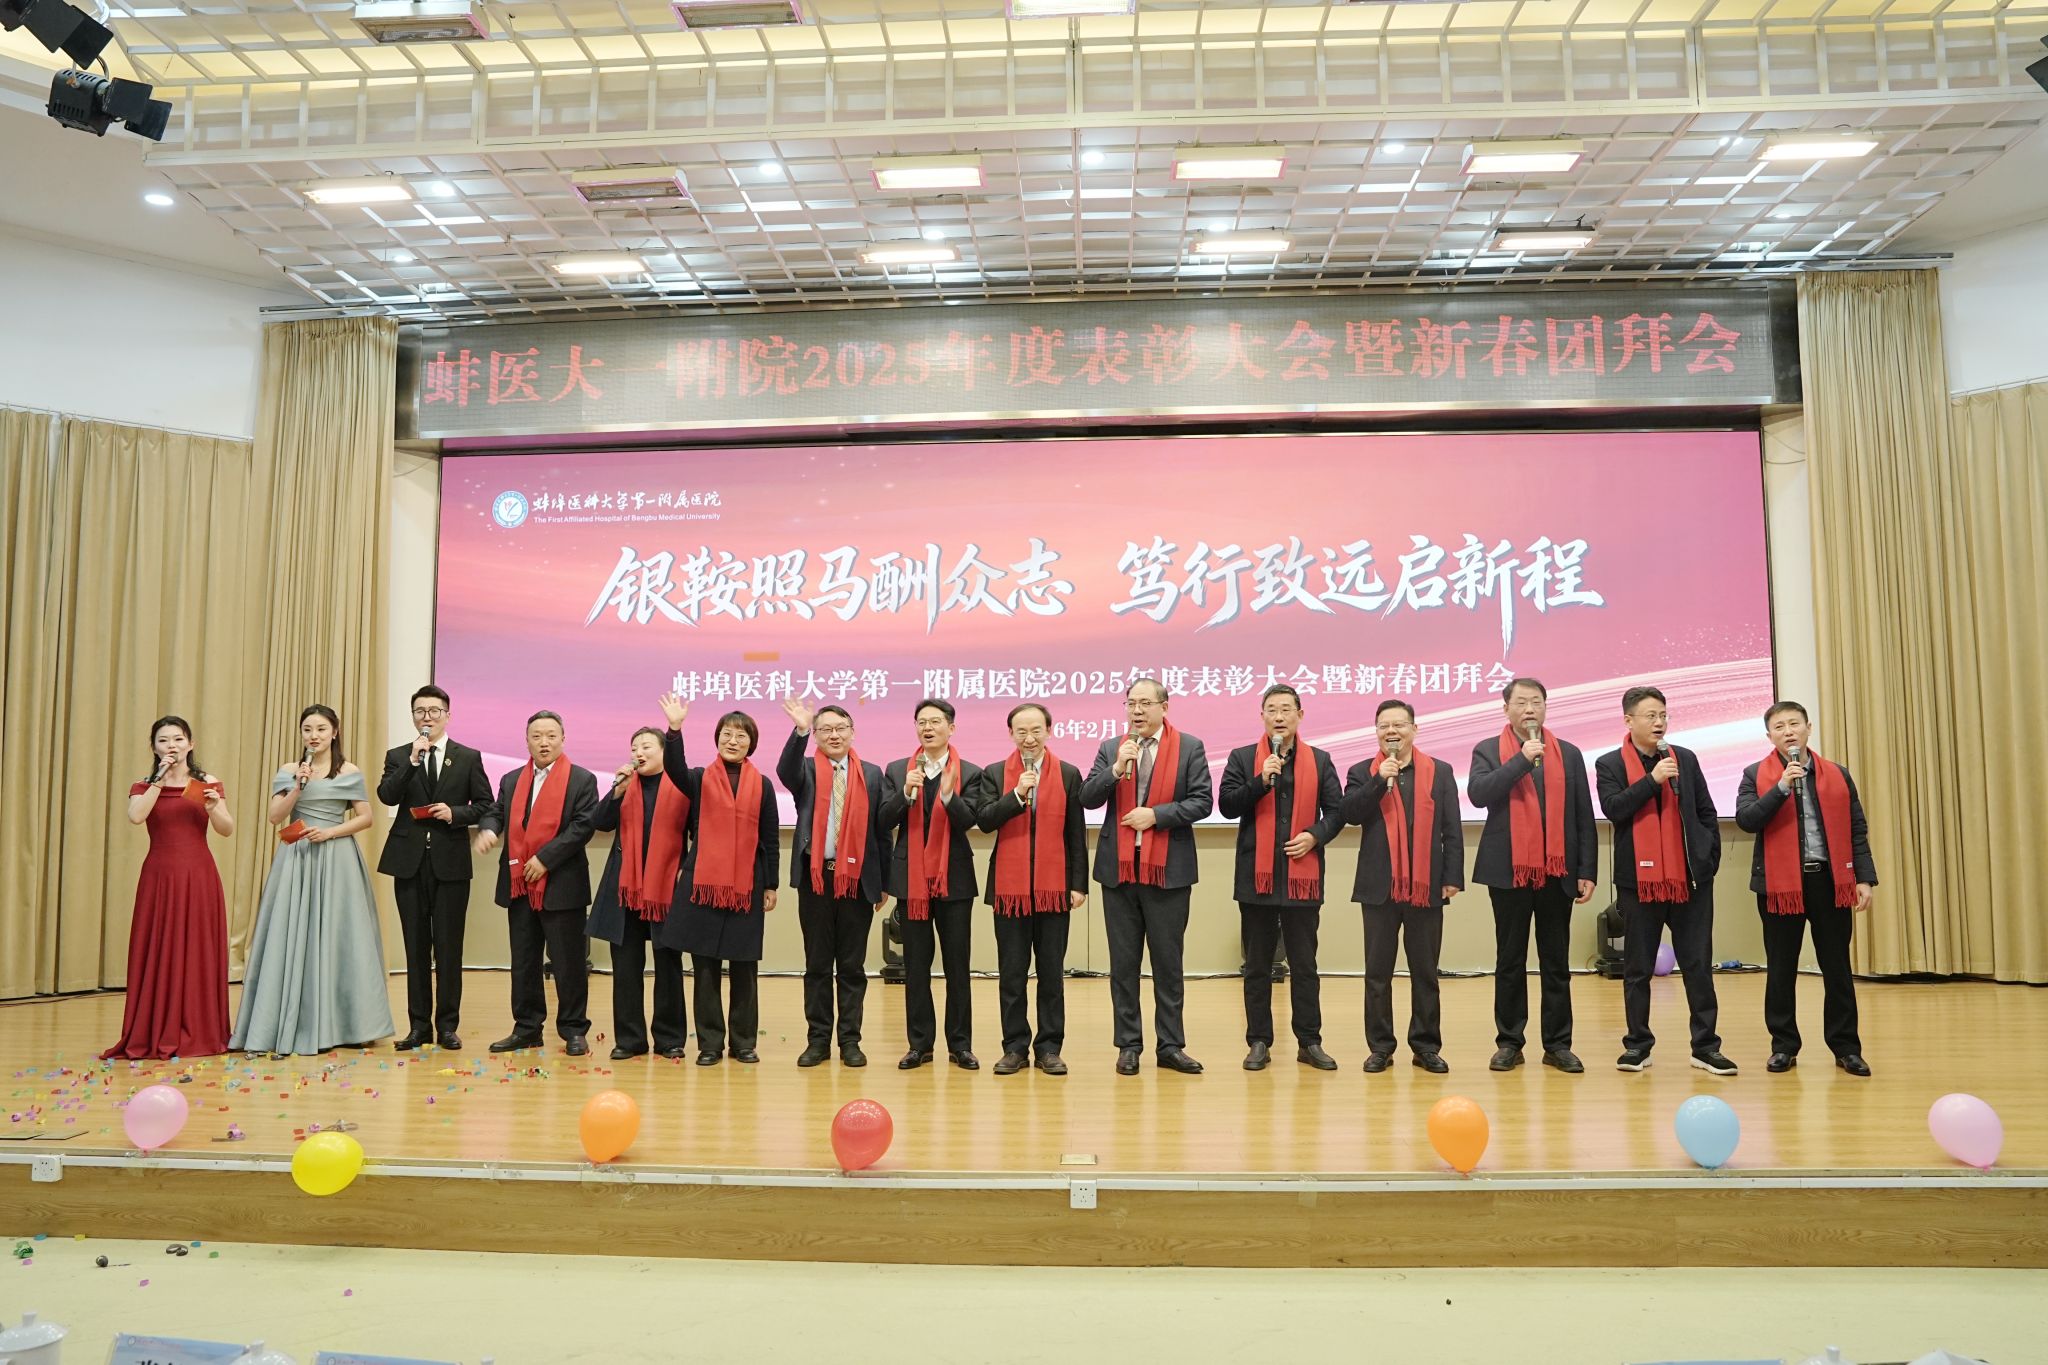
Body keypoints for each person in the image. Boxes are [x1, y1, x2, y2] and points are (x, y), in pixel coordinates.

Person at [232, 705, 395, 1056]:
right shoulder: (289, 770)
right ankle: (289, 1019)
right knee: (290, 933)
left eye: (321, 729)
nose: (314, 735)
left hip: (337, 858)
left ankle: (349, 1024)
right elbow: (275, 816)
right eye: (307, 729)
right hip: (297, 857)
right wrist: (296, 788)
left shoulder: (349, 771)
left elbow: (366, 818)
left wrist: (331, 832)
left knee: (341, 935)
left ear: (335, 732)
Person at [1734, 700, 1878, 1077]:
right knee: (1781, 969)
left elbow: (1856, 829)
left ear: (1808, 728)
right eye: (1779, 727)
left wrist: (1863, 877)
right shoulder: (1755, 775)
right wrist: (1781, 787)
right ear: (1769, 736)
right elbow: (1747, 820)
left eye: (1794, 724)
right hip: (1780, 886)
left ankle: (1846, 1048)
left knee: (1837, 968)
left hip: (1830, 882)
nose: (1788, 732)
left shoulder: (1837, 775)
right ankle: (1783, 1046)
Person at [1595, 687, 1734, 1076]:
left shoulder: (1684, 759)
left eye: (1663, 715)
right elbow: (1614, 809)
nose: (1659, 722)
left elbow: (1706, 811)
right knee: (1637, 968)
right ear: (1629, 721)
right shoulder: (1609, 764)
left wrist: (1707, 860)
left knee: (1698, 965)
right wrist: (1651, 780)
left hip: (1690, 881)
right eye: (1650, 716)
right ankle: (1637, 1045)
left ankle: (1705, 1047)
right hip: (1639, 883)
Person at [1081, 677, 1214, 1075]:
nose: (1136, 711)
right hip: (1119, 872)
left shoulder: (1189, 747)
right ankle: (1129, 1045)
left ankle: (1170, 1045)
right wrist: (1116, 770)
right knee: (1123, 965)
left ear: (1164, 707)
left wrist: (1157, 815)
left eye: (1145, 703)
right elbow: (1088, 797)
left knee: (1168, 964)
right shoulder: (1112, 748)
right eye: (1131, 703)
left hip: (1168, 871)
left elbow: (1202, 801)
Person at [1467, 677, 1598, 1074]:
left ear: (1545, 707)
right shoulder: (1488, 750)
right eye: (1522, 702)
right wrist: (1521, 760)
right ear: (1506, 708)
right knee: (1510, 960)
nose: (1530, 709)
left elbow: (1583, 814)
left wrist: (1587, 870)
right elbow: (1479, 794)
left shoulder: (1568, 753)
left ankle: (1558, 1045)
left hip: (1558, 871)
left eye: (1537, 702)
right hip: (1509, 871)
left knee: (1555, 961)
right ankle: (1510, 1042)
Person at [1217, 684, 1345, 1072]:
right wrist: (1260, 780)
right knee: (1257, 965)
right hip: (1256, 880)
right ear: (1262, 716)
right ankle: (1259, 1041)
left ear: (1299, 715)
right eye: (1271, 709)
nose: (1279, 716)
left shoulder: (1320, 760)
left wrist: (1315, 836)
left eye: (1286, 709)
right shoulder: (1243, 758)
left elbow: (1337, 812)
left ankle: (1310, 1041)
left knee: (1304, 965)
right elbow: (1227, 805)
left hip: (1302, 877)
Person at [655, 695, 779, 1066]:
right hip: (703, 885)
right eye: (727, 734)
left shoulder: (764, 785)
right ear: (717, 738)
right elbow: (673, 768)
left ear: (751, 743)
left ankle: (743, 1043)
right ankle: (710, 1044)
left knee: (744, 968)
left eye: (741, 735)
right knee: (705, 968)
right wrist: (674, 729)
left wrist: (771, 884)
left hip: (746, 886)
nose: (732, 740)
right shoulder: (698, 778)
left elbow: (770, 838)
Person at [1343, 699, 1464, 1074]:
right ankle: (1380, 1046)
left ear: (1414, 729)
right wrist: (1379, 781)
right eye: (1384, 726)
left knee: (1425, 972)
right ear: (1377, 732)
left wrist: (1452, 877)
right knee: (1377, 974)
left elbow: (1451, 828)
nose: (1391, 731)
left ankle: (1426, 1046)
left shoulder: (1440, 772)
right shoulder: (1362, 772)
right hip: (1378, 887)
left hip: (1426, 886)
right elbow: (1351, 814)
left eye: (1399, 724)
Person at [104, 716, 235, 1060]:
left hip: (199, 875)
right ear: (154, 747)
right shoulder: (143, 785)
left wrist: (213, 808)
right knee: (159, 947)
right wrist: (158, 781)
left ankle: (200, 1029)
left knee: (197, 948)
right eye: (163, 740)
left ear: (191, 744)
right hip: (159, 876)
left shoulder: (207, 782)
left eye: (178, 739)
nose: (171, 746)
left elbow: (226, 829)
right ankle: (154, 1028)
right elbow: (136, 816)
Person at [969, 702, 1088, 1076]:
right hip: (1010, 892)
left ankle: (1049, 1048)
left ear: (1049, 731)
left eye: (1036, 730)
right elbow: (985, 820)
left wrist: (1078, 884)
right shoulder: (994, 773)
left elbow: (1076, 833)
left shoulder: (1068, 774)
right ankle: (1015, 1047)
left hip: (1054, 890)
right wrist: (1017, 794)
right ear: (1011, 734)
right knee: (1012, 973)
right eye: (1021, 731)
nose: (1029, 738)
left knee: (1051, 974)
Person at [472, 710, 599, 1056]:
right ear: (526, 740)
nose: (544, 742)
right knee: (524, 962)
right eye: (537, 736)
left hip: (563, 883)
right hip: (520, 885)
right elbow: (496, 812)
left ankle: (573, 1029)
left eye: (551, 736)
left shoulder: (582, 780)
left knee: (568, 963)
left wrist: (545, 859)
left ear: (563, 739)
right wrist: (489, 829)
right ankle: (527, 1028)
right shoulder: (512, 779)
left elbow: (582, 827)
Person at [374, 685, 493, 1052]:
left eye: (434, 711)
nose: (427, 717)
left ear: (447, 715)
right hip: (408, 862)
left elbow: (486, 805)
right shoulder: (399, 756)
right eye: (420, 711)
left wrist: (454, 813)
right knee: (415, 948)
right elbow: (387, 796)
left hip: (450, 863)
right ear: (413, 717)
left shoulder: (467, 757)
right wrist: (412, 762)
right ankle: (418, 1027)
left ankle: (448, 1026)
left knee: (448, 948)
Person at [777, 698, 890, 1069]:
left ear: (853, 732)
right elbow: (785, 770)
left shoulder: (872, 774)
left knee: (853, 967)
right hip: (816, 880)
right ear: (816, 736)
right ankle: (818, 1040)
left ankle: (850, 1041)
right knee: (818, 964)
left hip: (857, 881)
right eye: (825, 729)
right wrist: (800, 730)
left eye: (841, 728)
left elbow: (881, 832)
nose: (834, 735)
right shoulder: (807, 770)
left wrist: (883, 881)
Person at [877, 698, 982, 1071]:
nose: (928, 728)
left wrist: (949, 795)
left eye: (935, 721)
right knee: (916, 967)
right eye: (922, 722)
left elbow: (969, 821)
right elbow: (883, 819)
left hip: (954, 880)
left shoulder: (970, 772)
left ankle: (960, 1045)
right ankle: (919, 1045)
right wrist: (905, 793)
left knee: (957, 966)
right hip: (912, 881)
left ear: (951, 728)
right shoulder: (897, 770)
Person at [587, 725, 691, 1060]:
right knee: (626, 967)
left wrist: (685, 867)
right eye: (634, 748)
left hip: (666, 888)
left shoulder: (682, 786)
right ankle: (630, 1039)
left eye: (646, 747)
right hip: (626, 889)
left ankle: (669, 1039)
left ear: (664, 752)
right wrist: (617, 791)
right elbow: (600, 822)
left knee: (668, 965)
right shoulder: (625, 785)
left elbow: (699, 832)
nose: (639, 753)